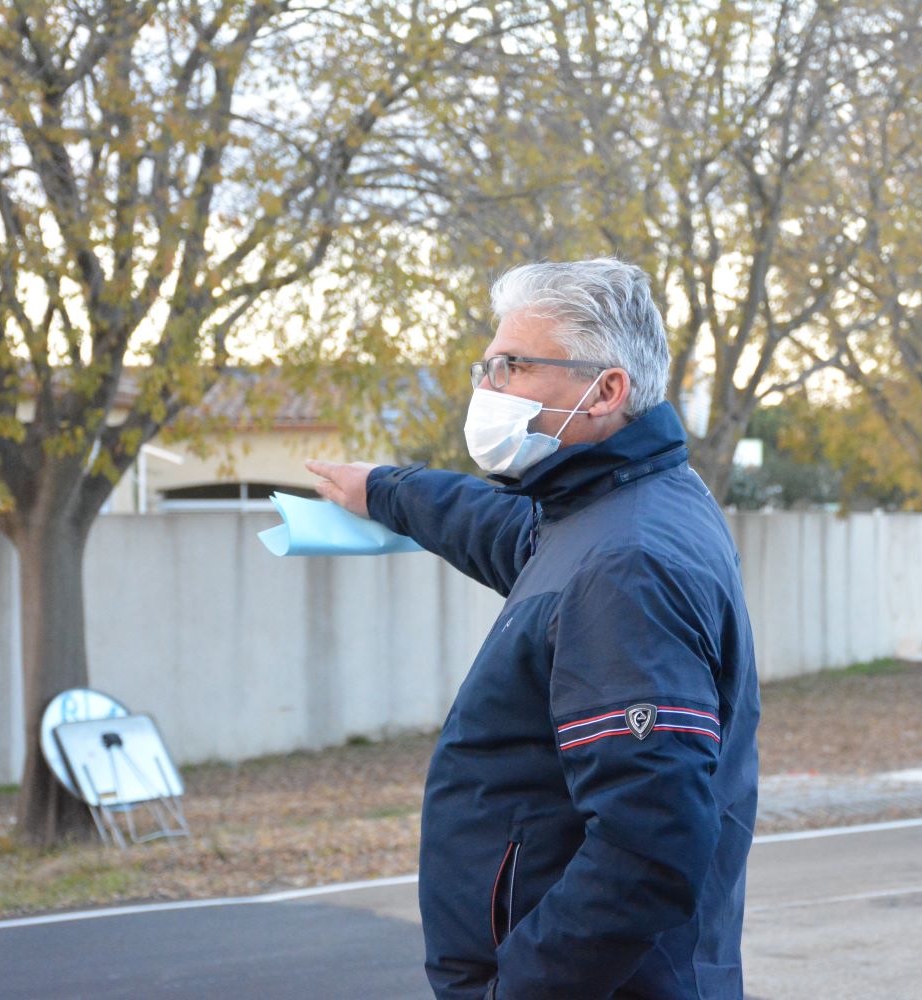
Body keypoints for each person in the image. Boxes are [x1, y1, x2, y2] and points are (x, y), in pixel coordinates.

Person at [307, 258, 760, 1000]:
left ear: (606, 390)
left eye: (512, 366)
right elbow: (508, 532)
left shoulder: (627, 563)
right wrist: (387, 491)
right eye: (488, 366)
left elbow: (649, 843)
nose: (487, 389)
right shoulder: (606, 510)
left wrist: (516, 990)